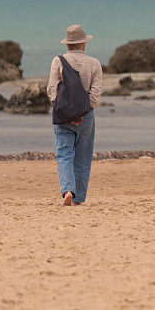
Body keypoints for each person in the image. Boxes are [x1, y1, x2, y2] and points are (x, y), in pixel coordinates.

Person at [46, 25, 103, 206]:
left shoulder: (58, 61)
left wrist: (62, 108)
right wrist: (83, 110)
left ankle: (68, 191)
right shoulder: (95, 64)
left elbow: (51, 90)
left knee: (64, 154)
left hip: (63, 116)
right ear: (84, 44)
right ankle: (79, 199)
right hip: (86, 116)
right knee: (83, 156)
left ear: (68, 44)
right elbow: (95, 94)